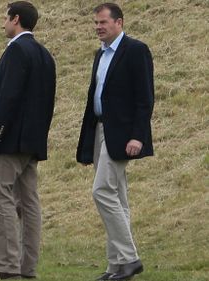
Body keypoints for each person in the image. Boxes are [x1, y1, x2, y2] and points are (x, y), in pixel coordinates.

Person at [0, 1, 56, 279]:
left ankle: (7, 265)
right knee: (29, 203)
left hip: (9, 141)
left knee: (0, 197)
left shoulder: (16, 51)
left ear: (16, 19)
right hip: (32, 142)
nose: (3, 22)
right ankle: (27, 268)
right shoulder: (44, 54)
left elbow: (7, 97)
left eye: (6, 17)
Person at [76, 3, 154, 280]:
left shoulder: (136, 51)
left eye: (103, 22)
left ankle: (130, 258)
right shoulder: (100, 54)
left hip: (122, 135)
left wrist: (137, 136)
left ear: (119, 22)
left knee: (102, 191)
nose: (98, 27)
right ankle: (116, 267)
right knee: (117, 197)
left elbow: (145, 99)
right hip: (99, 130)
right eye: (96, 23)